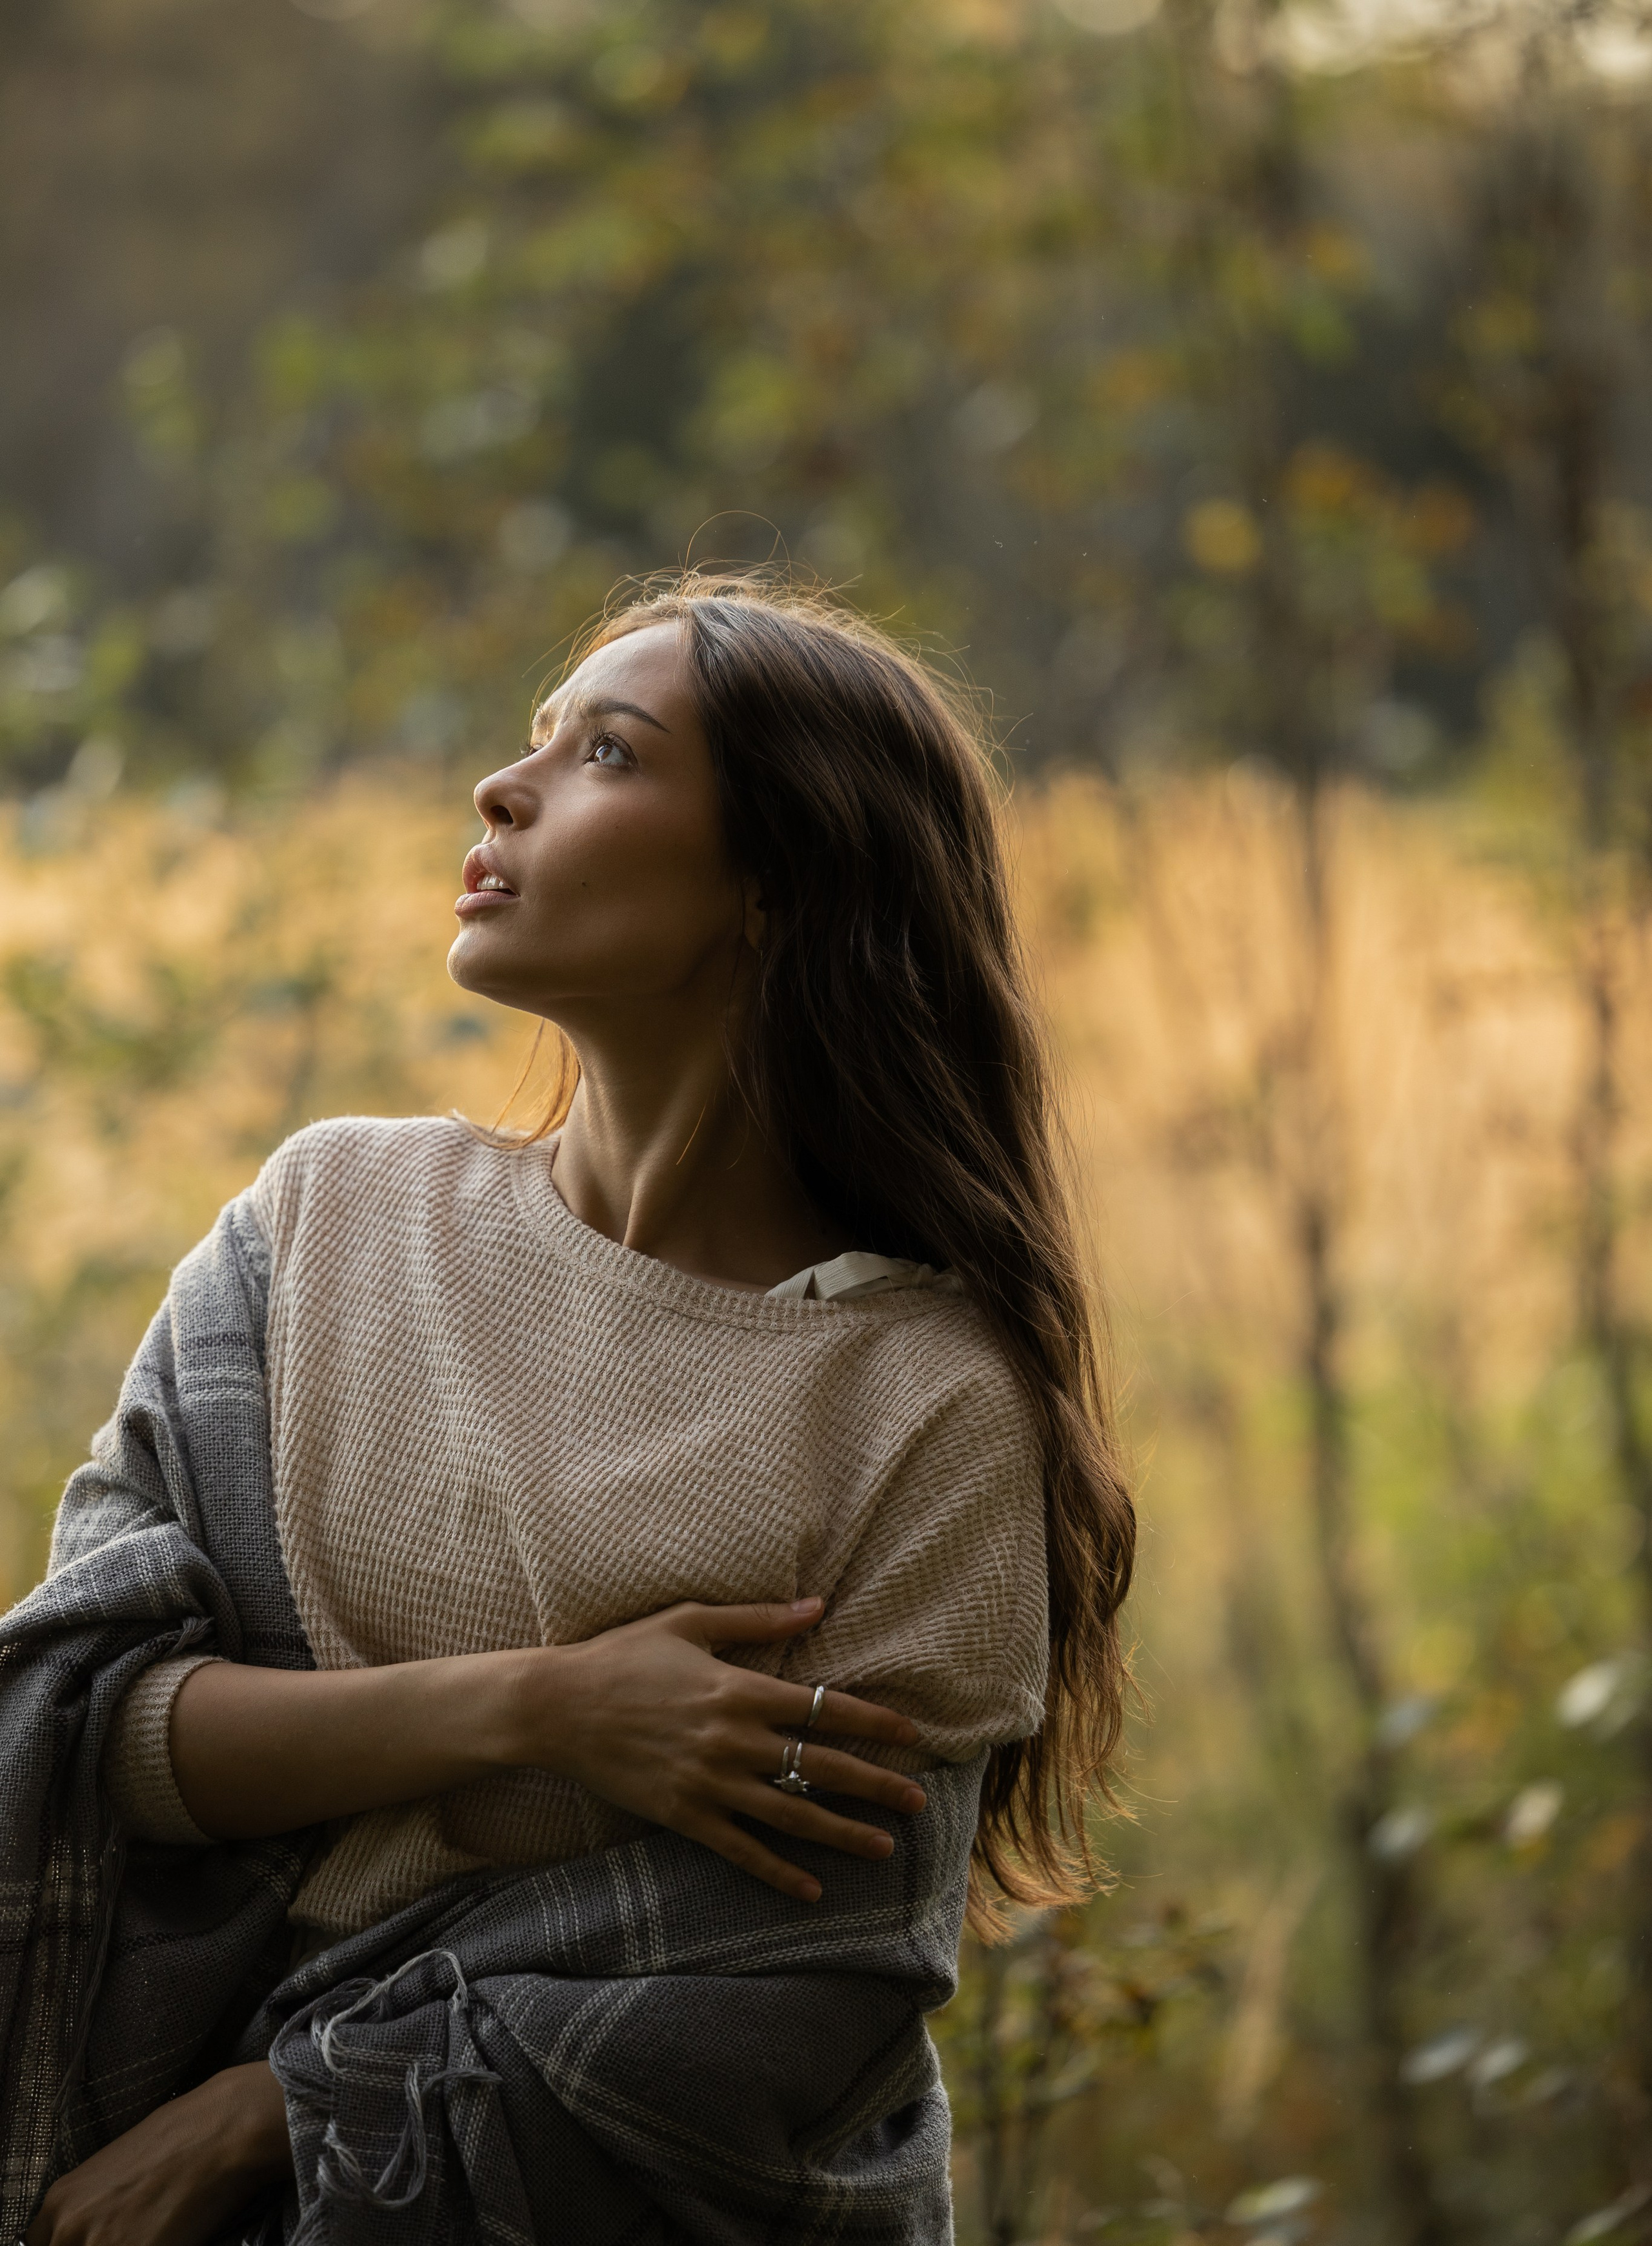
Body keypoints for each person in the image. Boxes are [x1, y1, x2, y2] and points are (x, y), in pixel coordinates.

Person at [1, 576, 1135, 2246]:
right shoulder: (322, 1228)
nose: (501, 790)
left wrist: (277, 2113)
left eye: (606, 752)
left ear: (776, 881)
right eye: (533, 741)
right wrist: (548, 1710)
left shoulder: (923, 1402)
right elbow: (94, 1730)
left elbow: (792, 2008)